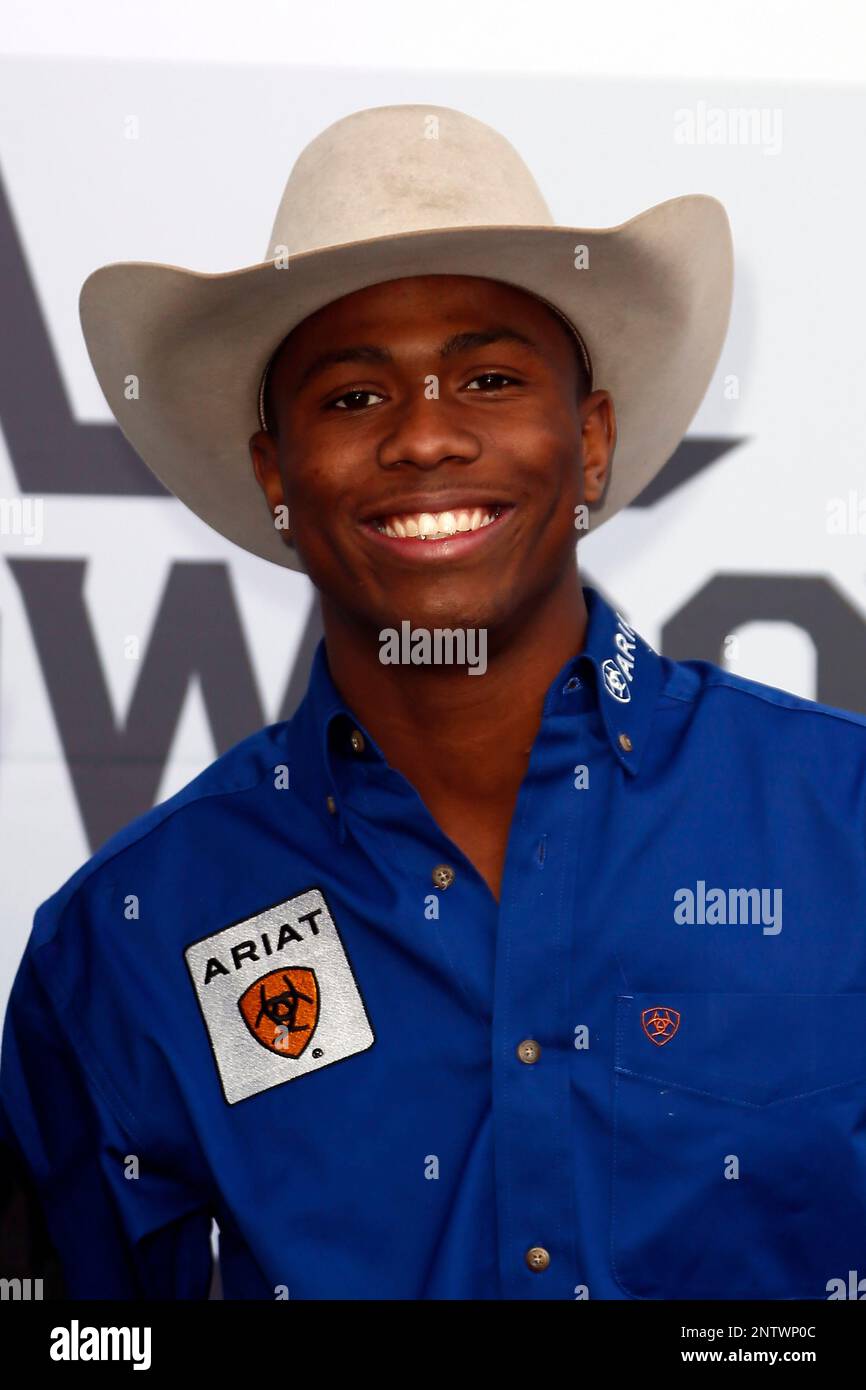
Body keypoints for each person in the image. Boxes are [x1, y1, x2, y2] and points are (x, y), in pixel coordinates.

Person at [3, 103, 866, 1301]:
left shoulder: (843, 824)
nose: (423, 438)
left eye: (490, 377)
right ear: (276, 477)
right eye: (353, 397)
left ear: (591, 441)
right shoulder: (127, 941)